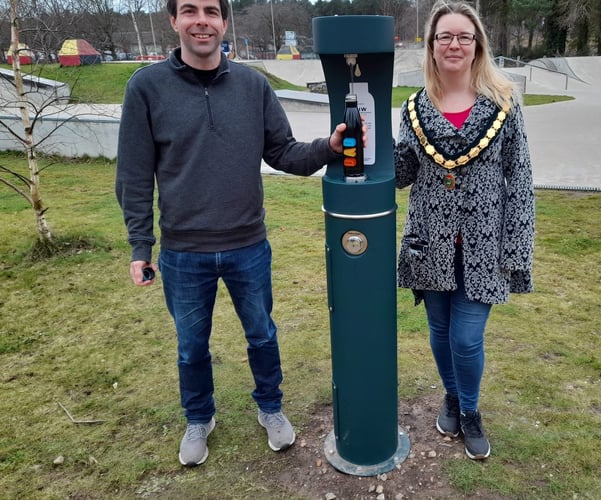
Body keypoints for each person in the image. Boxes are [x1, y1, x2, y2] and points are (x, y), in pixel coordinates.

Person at [115, 0, 363, 467]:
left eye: (211, 11)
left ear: (225, 22)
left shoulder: (253, 85)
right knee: (191, 347)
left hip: (248, 245)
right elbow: (132, 174)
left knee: (262, 336)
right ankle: (198, 418)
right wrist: (140, 246)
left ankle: (270, 408)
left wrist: (329, 148)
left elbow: (284, 152)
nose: (201, 20)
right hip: (183, 252)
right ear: (174, 21)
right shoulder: (145, 88)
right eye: (190, 10)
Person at [393, 0, 535, 460]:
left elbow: (520, 179)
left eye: (463, 36)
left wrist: (516, 248)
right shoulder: (414, 108)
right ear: (431, 48)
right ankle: (451, 398)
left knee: (465, 337)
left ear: (477, 46)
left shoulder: (504, 103)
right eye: (444, 37)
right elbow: (403, 173)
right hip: (429, 241)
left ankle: (470, 410)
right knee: (438, 330)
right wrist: (366, 140)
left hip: (484, 244)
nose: (454, 44)